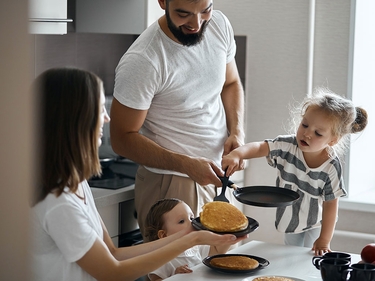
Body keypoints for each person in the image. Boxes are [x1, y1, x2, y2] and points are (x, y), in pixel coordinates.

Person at [31, 67, 245, 281]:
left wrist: (190, 235)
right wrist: (191, 240)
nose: (107, 118)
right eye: (99, 109)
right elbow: (112, 272)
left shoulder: (76, 183)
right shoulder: (59, 203)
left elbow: (114, 253)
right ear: (75, 120)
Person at [110, 0, 245, 239]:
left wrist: (237, 131)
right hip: (173, 184)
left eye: (205, 10)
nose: (196, 23)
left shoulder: (219, 25)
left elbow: (231, 82)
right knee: (176, 275)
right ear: (162, 2)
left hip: (217, 178)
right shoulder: (144, 60)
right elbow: (121, 139)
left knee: (222, 271)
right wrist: (186, 164)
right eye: (184, 14)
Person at [221, 88, 368, 256]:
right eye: (304, 125)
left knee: (309, 258)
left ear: (333, 140)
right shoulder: (288, 145)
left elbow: (331, 206)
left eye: (318, 133)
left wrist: (325, 239)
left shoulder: (330, 167)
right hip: (289, 219)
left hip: (315, 223)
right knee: (290, 255)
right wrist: (237, 154)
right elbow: (261, 147)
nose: (307, 133)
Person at [145, 198, 239, 280]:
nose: (192, 223)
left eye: (191, 218)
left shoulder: (195, 247)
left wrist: (230, 232)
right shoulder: (160, 258)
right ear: (164, 235)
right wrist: (175, 276)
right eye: (182, 221)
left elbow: (217, 251)